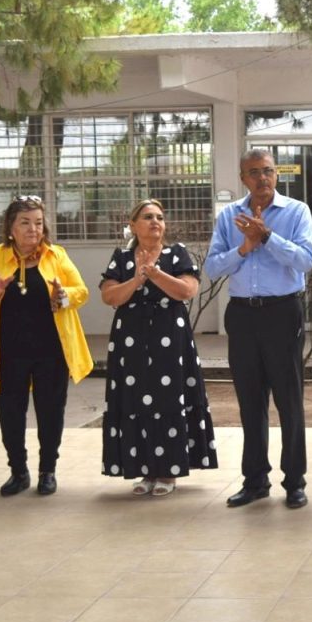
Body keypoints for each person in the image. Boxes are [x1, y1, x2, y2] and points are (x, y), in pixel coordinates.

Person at [205, 149, 312, 509]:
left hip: (282, 312)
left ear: (277, 175)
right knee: (250, 402)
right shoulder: (229, 216)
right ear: (243, 178)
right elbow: (212, 268)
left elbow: (306, 260)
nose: (262, 178)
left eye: (267, 171)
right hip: (242, 315)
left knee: (288, 400)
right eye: (254, 172)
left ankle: (295, 481)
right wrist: (244, 248)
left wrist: (267, 237)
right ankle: (255, 481)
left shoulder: (296, 212)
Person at [0, 196, 93, 496]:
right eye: (25, 223)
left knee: (51, 413)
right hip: (8, 354)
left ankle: (48, 470)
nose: (33, 229)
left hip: (51, 352)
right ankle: (18, 472)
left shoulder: (56, 255)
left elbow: (81, 291)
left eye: (38, 222)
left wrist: (62, 296)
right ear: (11, 228)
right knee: (10, 414)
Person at [98, 199, 218, 496]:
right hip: (130, 339)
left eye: (160, 217)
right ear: (133, 225)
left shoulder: (176, 254)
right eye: (148, 217)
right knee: (136, 399)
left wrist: (155, 274)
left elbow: (187, 290)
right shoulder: (121, 257)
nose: (155, 222)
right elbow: (110, 296)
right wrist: (137, 279)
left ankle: (168, 471)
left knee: (168, 399)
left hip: (170, 338)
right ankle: (144, 469)